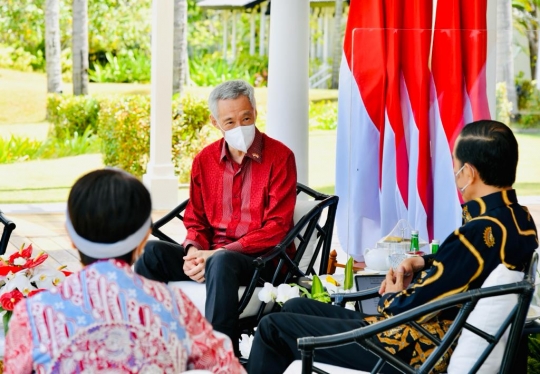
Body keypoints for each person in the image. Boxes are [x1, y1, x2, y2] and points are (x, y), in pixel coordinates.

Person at [247, 120, 539, 374]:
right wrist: (423, 262)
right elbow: (469, 264)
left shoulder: (476, 233)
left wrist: (393, 295)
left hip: (411, 349)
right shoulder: (519, 220)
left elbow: (408, 307)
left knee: (274, 328)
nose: (453, 172)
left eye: (454, 163)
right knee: (297, 305)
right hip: (426, 335)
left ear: (469, 173)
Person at [3, 168, 245, 374]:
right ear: (142, 241)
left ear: (71, 237)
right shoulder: (175, 309)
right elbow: (226, 369)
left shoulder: (34, 315)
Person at [135, 79, 297, 354]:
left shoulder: (280, 157)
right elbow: (196, 219)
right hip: (212, 258)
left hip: (262, 261)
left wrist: (217, 253)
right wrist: (193, 253)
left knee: (221, 261)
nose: (240, 127)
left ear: (255, 113)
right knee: (151, 253)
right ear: (215, 122)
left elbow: (277, 228)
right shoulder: (204, 161)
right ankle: (151, 345)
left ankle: (220, 359)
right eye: (230, 122)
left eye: (246, 118)